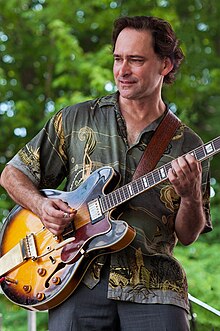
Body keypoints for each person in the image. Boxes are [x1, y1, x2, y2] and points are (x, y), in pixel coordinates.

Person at [0, 16, 212, 331]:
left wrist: (190, 196)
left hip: (155, 287)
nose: (122, 71)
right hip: (74, 280)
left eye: (136, 60)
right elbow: (12, 175)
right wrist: (42, 206)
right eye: (118, 59)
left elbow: (188, 234)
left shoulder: (190, 145)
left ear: (165, 65)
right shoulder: (75, 119)